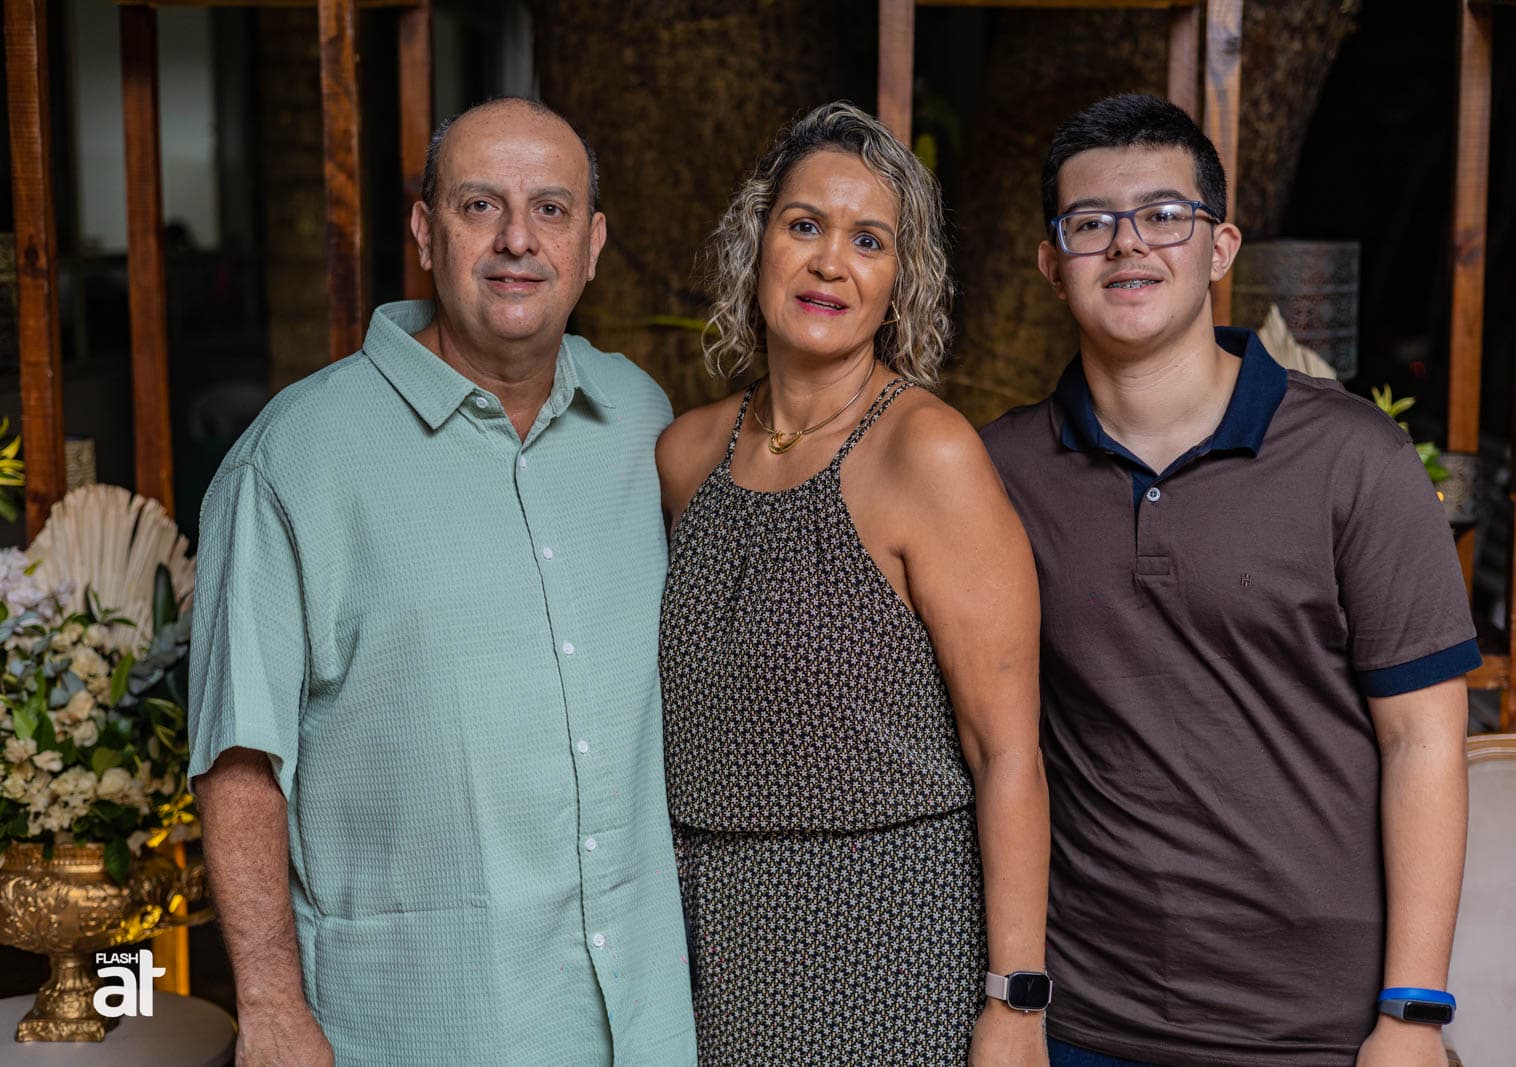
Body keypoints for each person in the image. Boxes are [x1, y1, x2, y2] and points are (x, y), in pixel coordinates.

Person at [188, 98, 695, 1067]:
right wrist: (271, 1005)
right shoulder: (293, 459)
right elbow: (239, 760)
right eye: (479, 205)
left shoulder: (641, 418)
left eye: (551, 209)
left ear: (592, 245)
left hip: (643, 1022)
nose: (517, 239)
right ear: (426, 232)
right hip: (421, 1025)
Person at [982, 93, 1480, 1067]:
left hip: (1317, 1028)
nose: (1129, 244)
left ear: (1219, 248)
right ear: (1052, 263)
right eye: (1092, 223)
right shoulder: (998, 471)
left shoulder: (1354, 457)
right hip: (1087, 1017)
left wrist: (1413, 1012)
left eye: (1164, 214)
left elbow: (1423, 738)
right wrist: (1015, 999)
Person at [655, 101, 1051, 1066]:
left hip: (889, 944)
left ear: (899, 283)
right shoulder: (685, 455)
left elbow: (1007, 753)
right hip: (708, 944)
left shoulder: (927, 452)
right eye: (805, 226)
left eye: (868, 240)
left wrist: (1017, 1003)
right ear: (757, 247)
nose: (831, 262)